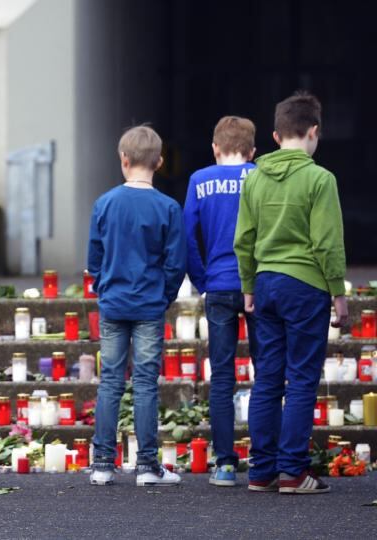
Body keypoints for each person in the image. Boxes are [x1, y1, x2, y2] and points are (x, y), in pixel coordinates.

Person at [234, 92, 347, 495]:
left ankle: (261, 471)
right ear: (313, 132)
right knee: (300, 379)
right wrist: (339, 293)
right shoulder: (320, 179)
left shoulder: (255, 178)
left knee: (267, 378)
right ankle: (293, 473)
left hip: (264, 285)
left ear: (276, 135)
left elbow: (243, 240)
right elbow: (327, 244)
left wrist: (248, 286)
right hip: (306, 286)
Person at [87, 125, 186, 487]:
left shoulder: (105, 203)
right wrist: (165, 296)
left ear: (123, 160)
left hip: (113, 304)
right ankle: (146, 465)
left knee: (110, 381)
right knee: (145, 383)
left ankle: (102, 464)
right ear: (160, 162)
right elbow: (176, 262)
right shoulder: (168, 207)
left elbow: (93, 258)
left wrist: (103, 286)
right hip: (149, 305)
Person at [182, 116, 257, 487]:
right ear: (253, 150)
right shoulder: (260, 177)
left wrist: (202, 280)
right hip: (258, 286)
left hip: (219, 284)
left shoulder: (199, 180)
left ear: (215, 148)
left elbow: (186, 237)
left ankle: (226, 464)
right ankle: (264, 460)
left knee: (223, 377)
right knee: (268, 373)